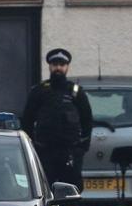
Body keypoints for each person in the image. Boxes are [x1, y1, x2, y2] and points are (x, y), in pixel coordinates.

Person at [21, 48, 93, 191]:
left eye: (62, 64)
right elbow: (27, 121)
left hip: (70, 152)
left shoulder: (76, 93)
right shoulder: (39, 92)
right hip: (45, 151)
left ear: (67, 67)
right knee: (45, 189)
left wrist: (81, 149)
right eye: (55, 64)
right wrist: (32, 146)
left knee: (72, 190)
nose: (58, 68)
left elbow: (87, 121)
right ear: (50, 66)